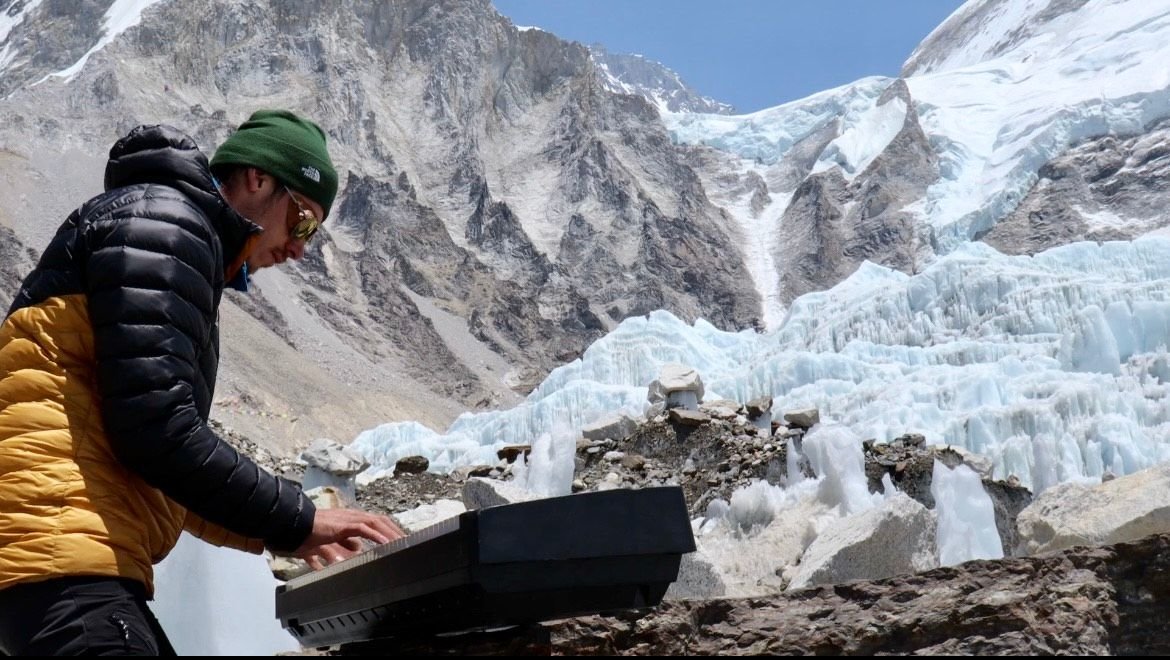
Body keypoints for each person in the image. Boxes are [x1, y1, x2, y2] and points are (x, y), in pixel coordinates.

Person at [0, 109, 405, 655]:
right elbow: (157, 431)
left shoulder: (161, 233)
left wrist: (284, 530)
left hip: (59, 556)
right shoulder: (168, 227)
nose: (300, 248)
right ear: (259, 179)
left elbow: (164, 467)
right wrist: (297, 517)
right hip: (62, 551)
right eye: (303, 220)